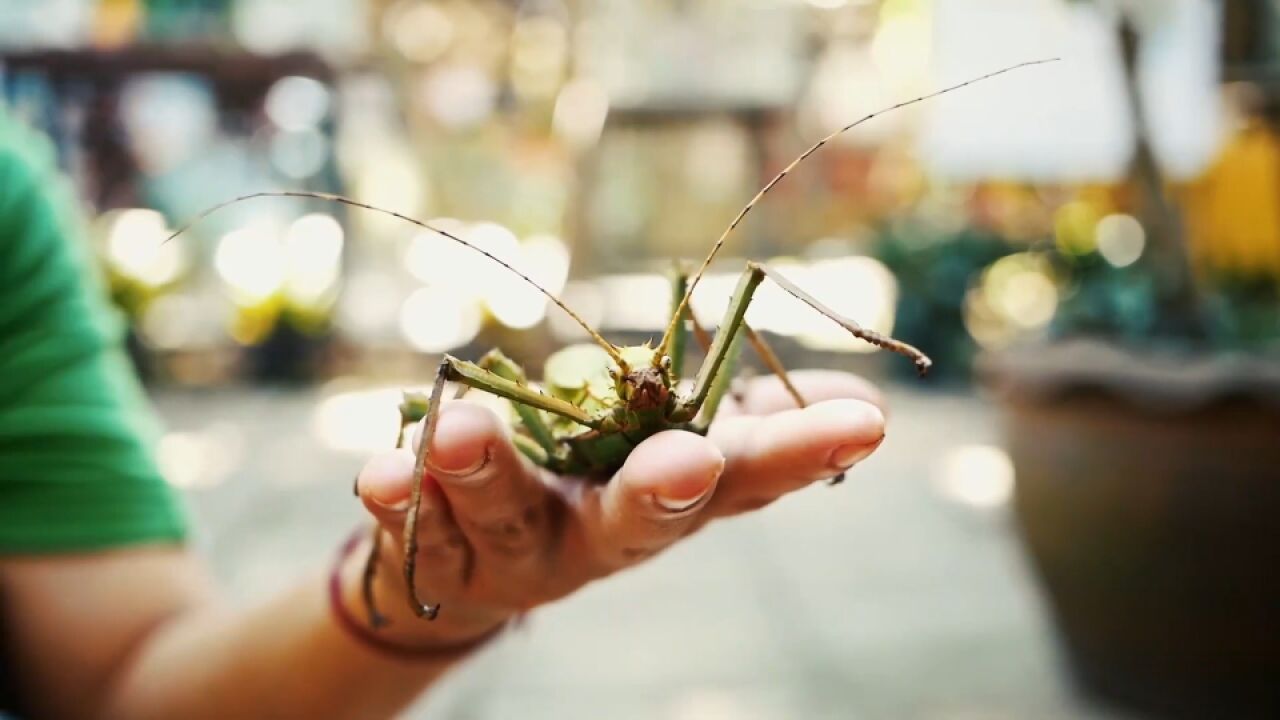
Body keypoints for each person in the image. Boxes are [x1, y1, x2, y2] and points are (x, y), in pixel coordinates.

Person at [0, 109, 888, 719]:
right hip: (577, 445)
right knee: (462, 385)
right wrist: (405, 569)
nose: (657, 388)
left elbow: (119, 685)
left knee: (740, 282)